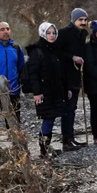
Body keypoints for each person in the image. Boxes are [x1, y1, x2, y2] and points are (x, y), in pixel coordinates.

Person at [26, 23, 69, 157]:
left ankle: (46, 148)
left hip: (55, 90)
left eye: (53, 33)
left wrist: (65, 89)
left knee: (52, 118)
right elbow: (33, 74)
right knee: (48, 119)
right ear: (43, 33)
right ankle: (43, 150)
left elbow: (61, 73)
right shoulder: (37, 51)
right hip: (44, 91)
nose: (51, 35)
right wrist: (37, 92)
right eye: (49, 33)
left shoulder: (54, 49)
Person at [55, 8, 89, 152]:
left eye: (85, 20)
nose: (83, 22)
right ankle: (66, 140)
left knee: (73, 108)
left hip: (76, 74)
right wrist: (72, 57)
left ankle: (71, 137)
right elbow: (57, 52)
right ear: (73, 20)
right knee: (68, 109)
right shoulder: (63, 33)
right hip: (66, 74)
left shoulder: (82, 34)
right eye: (80, 20)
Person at [0, 21, 25, 134]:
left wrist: (20, 87)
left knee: (14, 126)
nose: (6, 31)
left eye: (7, 29)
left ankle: (16, 149)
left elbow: (21, 69)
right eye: (2, 29)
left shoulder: (16, 48)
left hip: (13, 92)